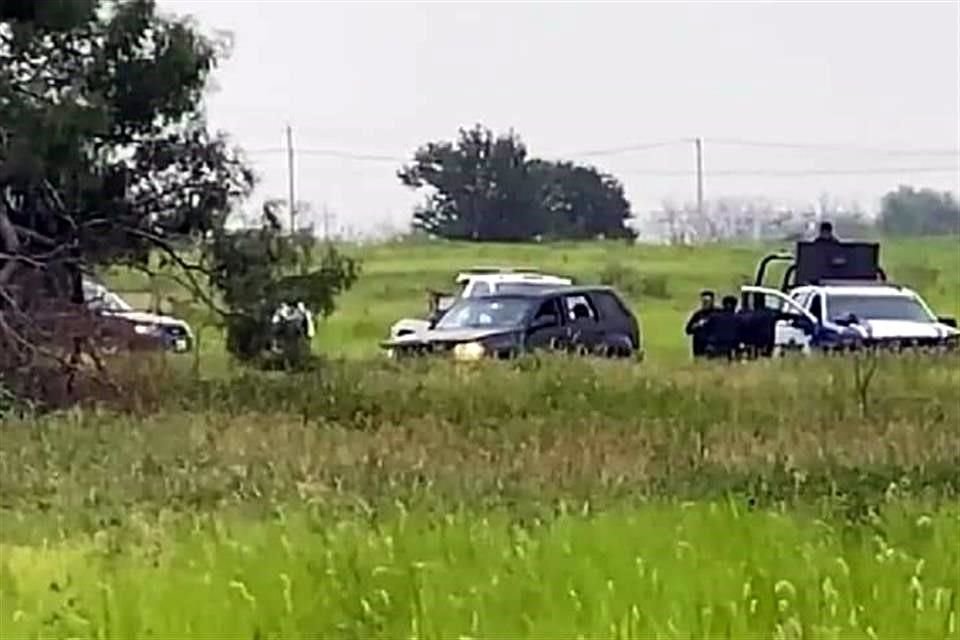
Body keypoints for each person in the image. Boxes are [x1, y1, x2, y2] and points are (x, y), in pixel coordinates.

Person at [706, 295, 742, 360]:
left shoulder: (713, 317)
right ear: (735, 306)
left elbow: (707, 331)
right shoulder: (739, 318)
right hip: (731, 351)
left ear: (723, 305)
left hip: (715, 348)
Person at [684, 290, 718, 358]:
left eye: (707, 301)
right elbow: (688, 330)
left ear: (712, 301)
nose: (705, 303)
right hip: (699, 348)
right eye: (703, 301)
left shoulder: (718, 313)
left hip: (715, 348)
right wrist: (695, 326)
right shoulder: (698, 314)